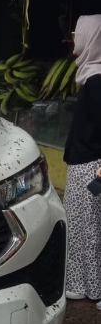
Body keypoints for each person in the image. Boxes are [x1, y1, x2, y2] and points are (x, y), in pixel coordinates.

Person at [65, 15, 101, 303]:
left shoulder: (97, 82)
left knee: (87, 228)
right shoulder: (91, 76)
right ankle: (80, 283)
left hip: (91, 166)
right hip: (84, 162)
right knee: (80, 225)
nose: (75, 35)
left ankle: (90, 285)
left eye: (81, 31)